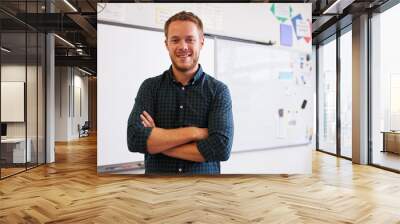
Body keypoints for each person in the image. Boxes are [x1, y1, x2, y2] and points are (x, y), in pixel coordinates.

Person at [127, 11, 234, 175]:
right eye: (175, 40)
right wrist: (196, 132)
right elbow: (135, 139)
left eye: (190, 39)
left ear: (202, 42)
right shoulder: (150, 87)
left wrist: (159, 142)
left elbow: (220, 148)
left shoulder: (218, 91)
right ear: (167, 44)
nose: (183, 47)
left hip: (204, 193)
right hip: (158, 193)